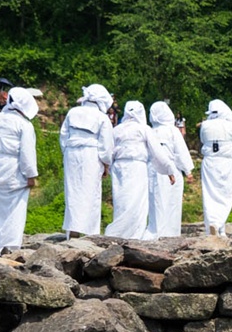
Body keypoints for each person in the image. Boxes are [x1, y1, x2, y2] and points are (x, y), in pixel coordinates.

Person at [0, 87, 40, 256]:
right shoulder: (25, 125)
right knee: (14, 210)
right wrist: (31, 175)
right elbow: (27, 153)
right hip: (13, 171)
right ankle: (9, 246)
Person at [105, 101, 175, 240]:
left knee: (122, 202)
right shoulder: (144, 129)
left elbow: (109, 151)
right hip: (137, 167)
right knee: (137, 203)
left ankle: (118, 235)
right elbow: (157, 152)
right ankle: (132, 236)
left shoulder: (116, 129)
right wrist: (169, 169)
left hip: (119, 168)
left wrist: (107, 167)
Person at [60, 84, 115, 237]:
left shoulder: (73, 112)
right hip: (91, 154)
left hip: (71, 153)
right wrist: (106, 165)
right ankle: (88, 232)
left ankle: (73, 230)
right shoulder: (102, 118)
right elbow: (106, 145)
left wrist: (66, 152)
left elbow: (63, 136)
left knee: (72, 191)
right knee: (90, 192)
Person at [198, 99, 232, 236]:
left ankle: (214, 227)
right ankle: (219, 225)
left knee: (209, 195)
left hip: (208, 163)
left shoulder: (205, 126)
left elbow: (202, 140)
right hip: (225, 163)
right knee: (225, 195)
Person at [146, 101, 194, 239]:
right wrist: (188, 171)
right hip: (171, 170)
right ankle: (170, 234)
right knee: (172, 202)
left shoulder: (149, 131)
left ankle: (155, 232)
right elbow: (180, 152)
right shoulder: (172, 130)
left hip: (151, 169)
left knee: (155, 202)